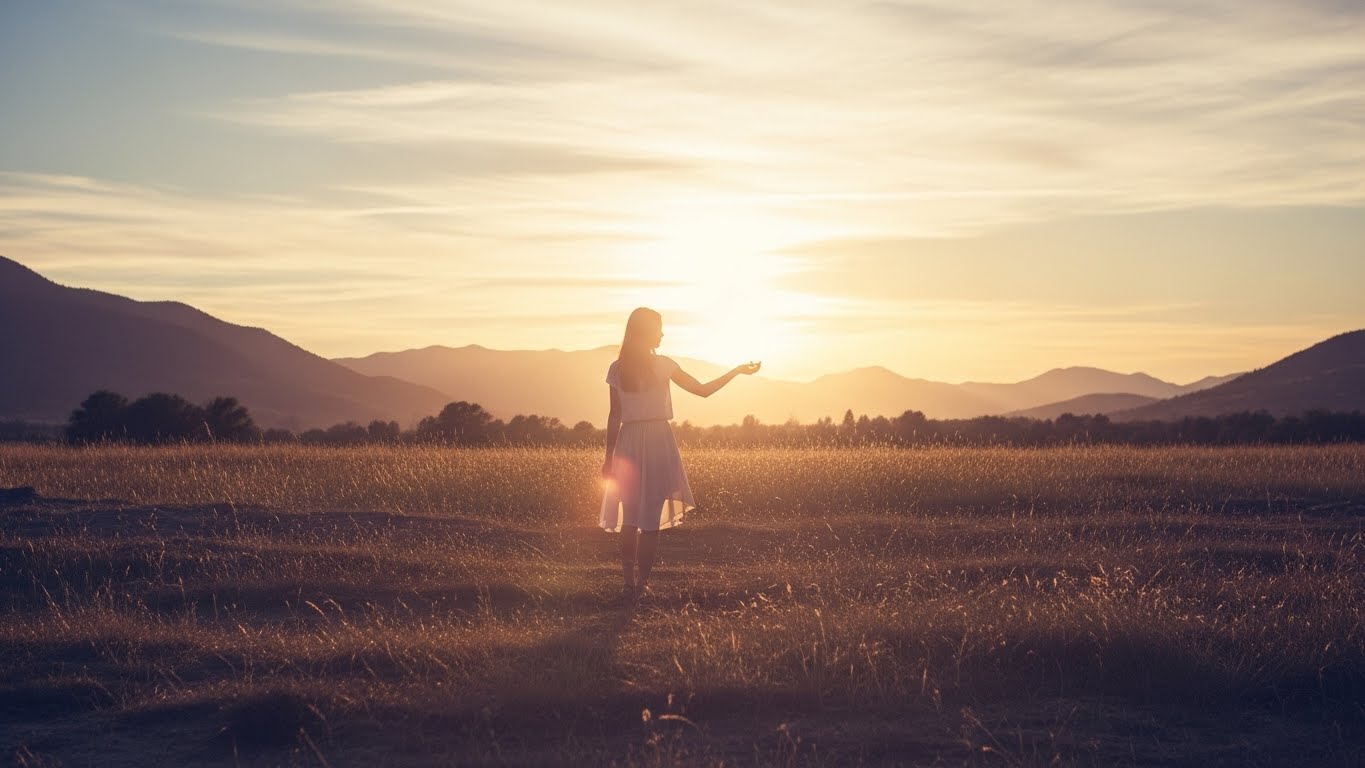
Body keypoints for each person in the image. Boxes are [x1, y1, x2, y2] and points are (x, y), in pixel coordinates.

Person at [600, 307, 761, 602]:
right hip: (658, 442)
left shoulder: (618, 367)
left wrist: (609, 458)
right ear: (646, 332)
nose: (662, 333)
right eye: (659, 328)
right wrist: (737, 371)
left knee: (631, 517)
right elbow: (702, 391)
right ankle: (641, 586)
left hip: (629, 442)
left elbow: (614, 417)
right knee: (648, 522)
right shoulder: (661, 365)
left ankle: (629, 583)